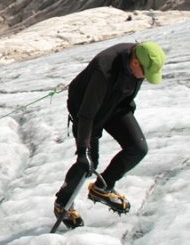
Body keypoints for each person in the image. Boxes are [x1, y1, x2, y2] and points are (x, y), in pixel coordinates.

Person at [53, 41, 166, 229]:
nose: (145, 78)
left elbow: (129, 92)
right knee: (88, 164)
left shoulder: (139, 57)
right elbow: (87, 114)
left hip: (116, 105)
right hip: (86, 110)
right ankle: (62, 203)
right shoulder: (105, 70)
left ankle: (102, 188)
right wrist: (82, 151)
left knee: (137, 148)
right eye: (146, 73)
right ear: (136, 63)